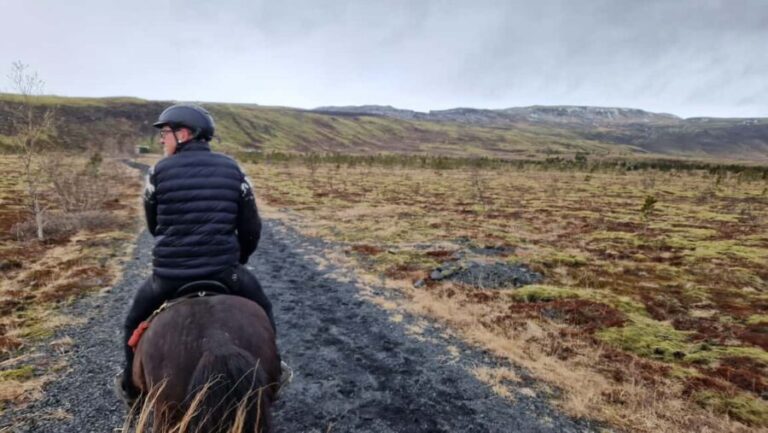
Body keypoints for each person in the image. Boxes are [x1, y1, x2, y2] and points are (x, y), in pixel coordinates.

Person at [115, 103, 289, 405]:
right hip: (225, 272)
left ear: (184, 134)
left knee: (133, 321)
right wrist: (240, 260)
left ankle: (131, 386)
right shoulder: (233, 169)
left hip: (169, 277)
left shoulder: (158, 172)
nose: (161, 139)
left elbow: (153, 224)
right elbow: (251, 227)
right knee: (264, 309)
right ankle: (278, 370)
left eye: (165, 132)